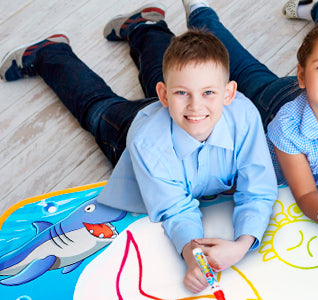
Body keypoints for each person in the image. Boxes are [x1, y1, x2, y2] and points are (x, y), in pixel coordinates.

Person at [0, 4, 277, 294]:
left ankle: (145, 25)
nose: (196, 105)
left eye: (209, 92)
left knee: (176, 73)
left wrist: (244, 243)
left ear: (229, 94)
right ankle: (50, 53)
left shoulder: (244, 115)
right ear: (164, 96)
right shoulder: (147, 142)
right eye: (182, 94)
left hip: (172, 116)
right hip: (134, 130)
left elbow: (258, 186)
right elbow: (175, 208)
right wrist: (192, 255)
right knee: (97, 107)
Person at [183, 0, 318, 253]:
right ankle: (201, 12)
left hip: (316, 96)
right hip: (276, 100)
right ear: (301, 75)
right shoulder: (287, 126)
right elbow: (306, 193)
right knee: (241, 65)